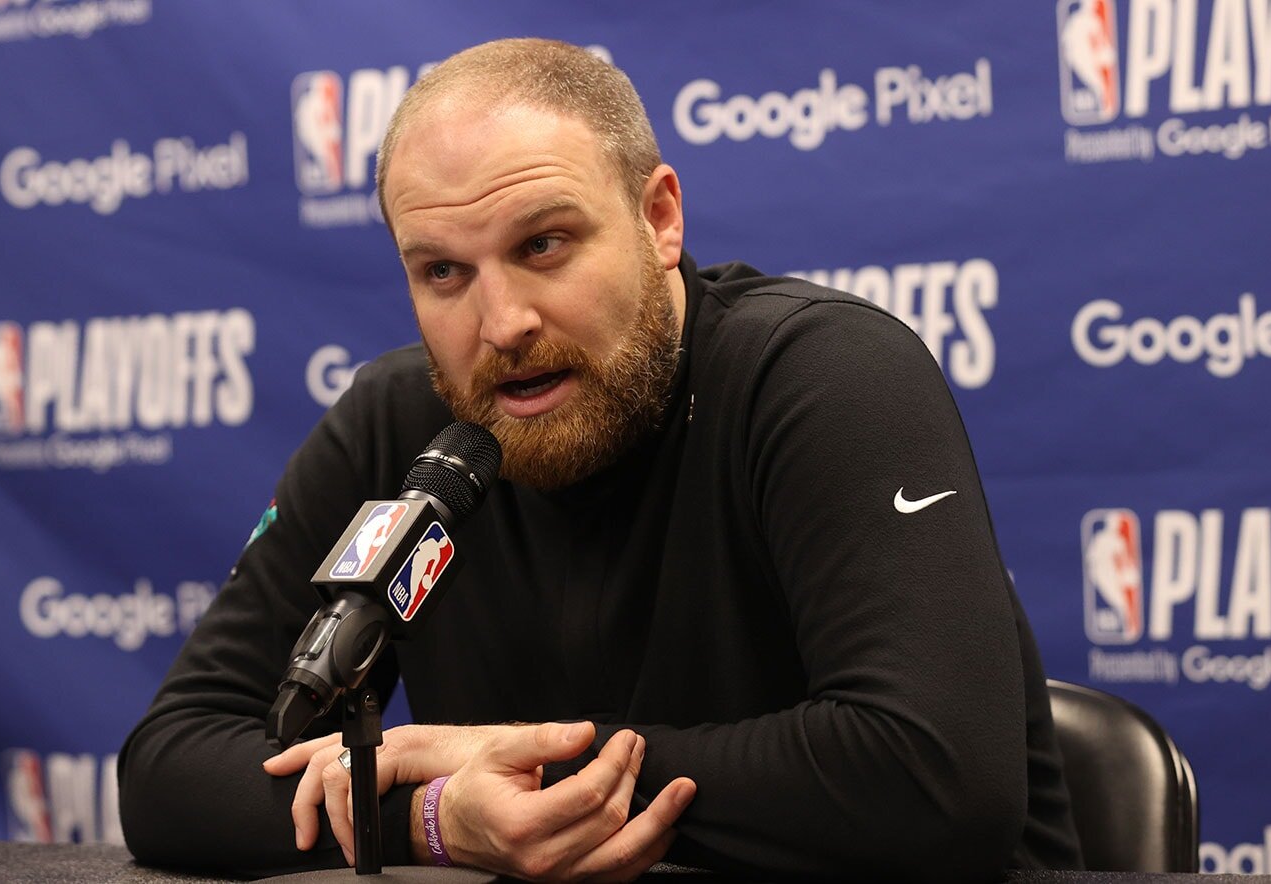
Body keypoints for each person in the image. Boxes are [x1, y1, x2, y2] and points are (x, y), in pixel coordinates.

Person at [119, 38, 1083, 881]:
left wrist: (531, 778)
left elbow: (938, 777)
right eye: (443, 272)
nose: (502, 325)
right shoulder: (399, 423)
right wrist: (432, 818)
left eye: (544, 243)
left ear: (660, 220)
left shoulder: (822, 373)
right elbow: (169, 764)